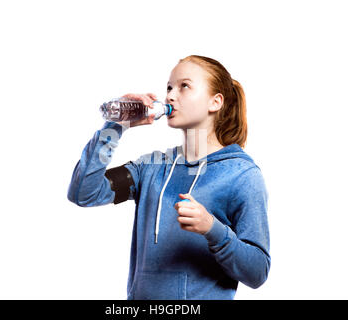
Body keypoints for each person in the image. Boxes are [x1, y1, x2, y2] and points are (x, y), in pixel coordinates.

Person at [67, 55, 270, 300]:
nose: (171, 96)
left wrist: (212, 229)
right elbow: (83, 192)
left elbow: (257, 271)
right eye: (169, 88)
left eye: (185, 86)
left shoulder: (242, 175)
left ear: (215, 102)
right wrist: (115, 126)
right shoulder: (151, 167)